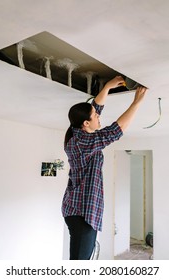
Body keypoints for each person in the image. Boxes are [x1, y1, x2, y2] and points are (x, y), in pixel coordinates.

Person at [61, 76, 147, 260]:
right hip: (81, 214)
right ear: (86, 123)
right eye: (96, 116)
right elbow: (117, 129)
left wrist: (108, 86)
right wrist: (137, 102)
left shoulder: (79, 133)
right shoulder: (83, 141)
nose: (99, 116)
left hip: (80, 212)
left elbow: (95, 109)